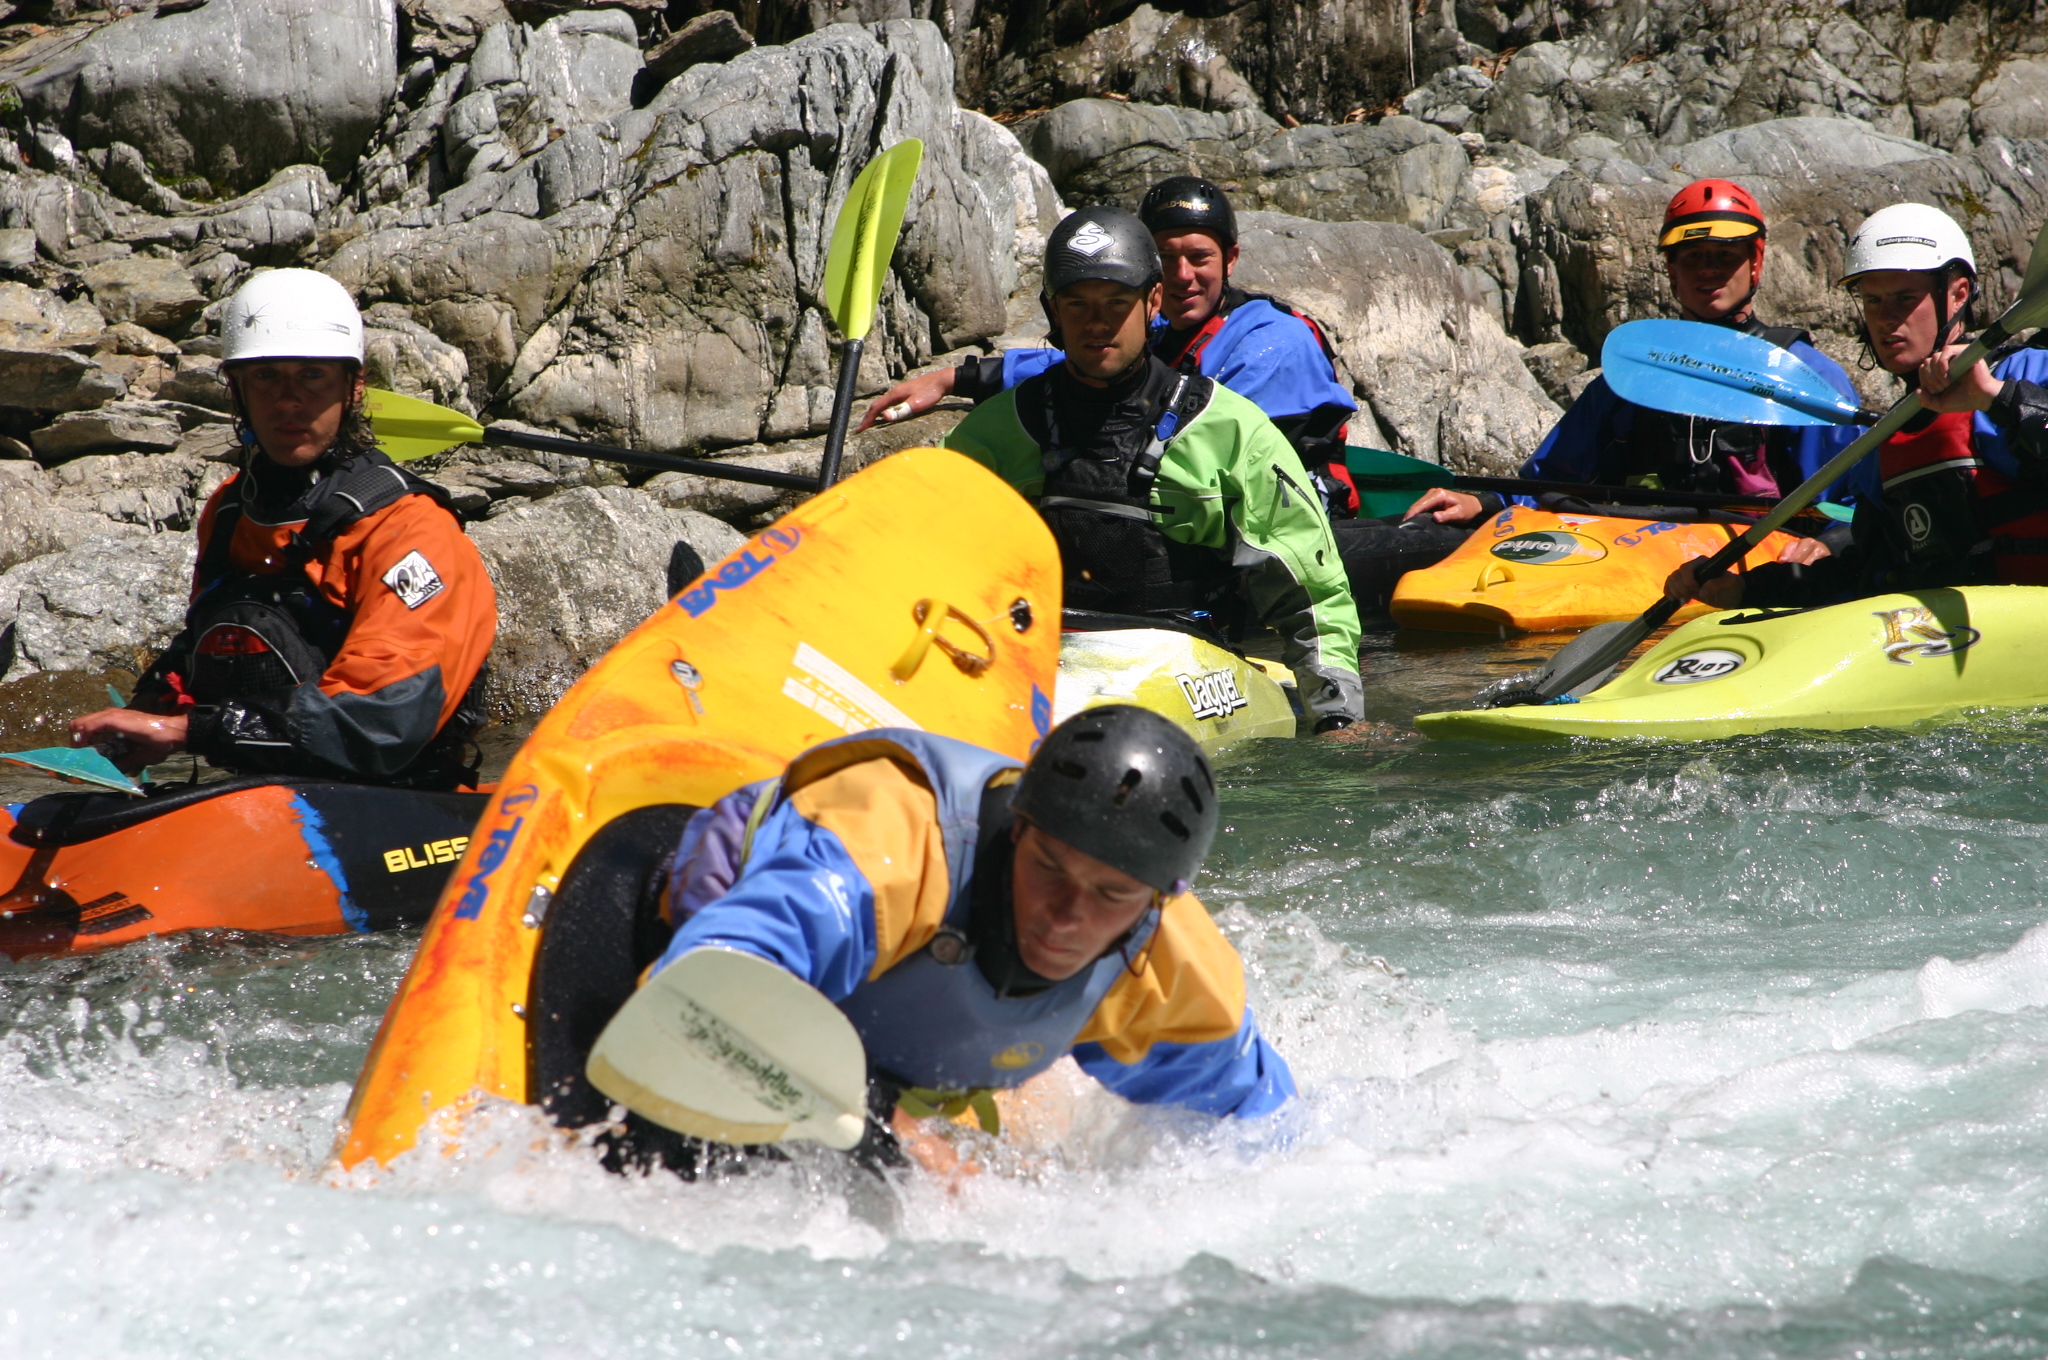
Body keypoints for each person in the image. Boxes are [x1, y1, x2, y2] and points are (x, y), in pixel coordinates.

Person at [650, 705, 1293, 1162]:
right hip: (716, 896)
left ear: (1158, 900)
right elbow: (707, 997)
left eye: (1110, 895)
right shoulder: (892, 858)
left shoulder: (1168, 955)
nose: (1067, 915)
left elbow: (1256, 1121)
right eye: (1049, 868)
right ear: (1017, 830)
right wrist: (890, 1129)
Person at [67, 269, 497, 789]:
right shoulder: (231, 509)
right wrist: (150, 708)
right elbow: (222, 628)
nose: (288, 401)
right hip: (264, 790)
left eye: (312, 376)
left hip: (399, 799)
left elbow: (384, 719)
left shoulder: (411, 530)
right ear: (238, 389)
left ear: (353, 387)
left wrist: (188, 731)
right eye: (267, 376)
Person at [938, 207, 1364, 731]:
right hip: (1044, 658)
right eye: (1078, 305)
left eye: (1117, 303)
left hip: (1189, 665)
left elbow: (1311, 591)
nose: (1097, 323)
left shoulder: (1231, 429)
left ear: (1152, 301)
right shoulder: (995, 431)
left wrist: (1338, 714)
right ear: (1053, 309)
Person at [1353, 180, 1870, 608]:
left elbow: (1855, 499)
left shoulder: (1803, 377)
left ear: (1755, 263)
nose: (1709, 269)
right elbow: (1553, 477)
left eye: (1725, 256)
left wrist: (1831, 543)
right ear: (1671, 272)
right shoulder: (1635, 378)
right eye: (1692, 258)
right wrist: (1485, 500)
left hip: (1746, 552)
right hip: (1632, 540)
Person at [861, 175, 1362, 515]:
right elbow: (1082, 357)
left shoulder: (1274, 343)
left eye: (1199, 258)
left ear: (1230, 259)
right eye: (1166, 258)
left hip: (1292, 511)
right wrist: (956, 376)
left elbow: (1199, 439)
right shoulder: (1163, 326)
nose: (1184, 276)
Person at [1666, 202, 2048, 611]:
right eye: (1872, 301)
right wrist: (1748, 590)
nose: (1886, 319)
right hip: (1939, 646)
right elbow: (1862, 575)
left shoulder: (2026, 370)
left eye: (1904, 299)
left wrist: (1997, 399)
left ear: (1956, 295)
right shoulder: (1886, 442)